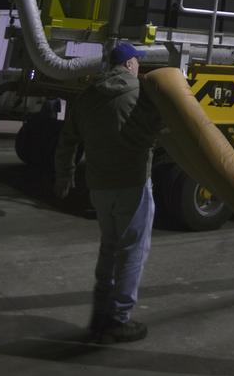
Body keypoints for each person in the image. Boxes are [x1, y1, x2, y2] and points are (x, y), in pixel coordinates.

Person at [54, 42, 163, 343]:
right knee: (132, 251)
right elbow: (164, 129)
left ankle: (100, 314)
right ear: (129, 64)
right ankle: (118, 318)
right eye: (137, 62)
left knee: (109, 247)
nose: (139, 66)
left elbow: (67, 141)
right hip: (133, 183)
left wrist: (64, 176)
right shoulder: (142, 92)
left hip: (99, 185)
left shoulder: (87, 96)